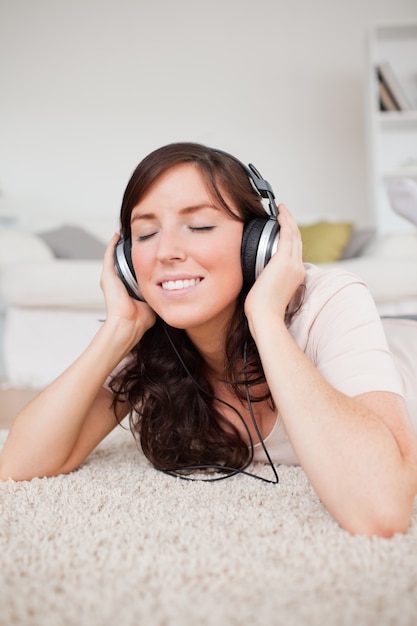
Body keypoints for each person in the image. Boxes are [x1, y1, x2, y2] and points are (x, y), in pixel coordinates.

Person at [0, 142, 416, 538]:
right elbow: (19, 466)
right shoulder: (156, 335)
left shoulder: (330, 300)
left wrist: (266, 319)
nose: (166, 252)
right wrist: (118, 329)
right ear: (126, 262)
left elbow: (380, 511)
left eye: (198, 225)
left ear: (259, 244)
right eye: (145, 235)